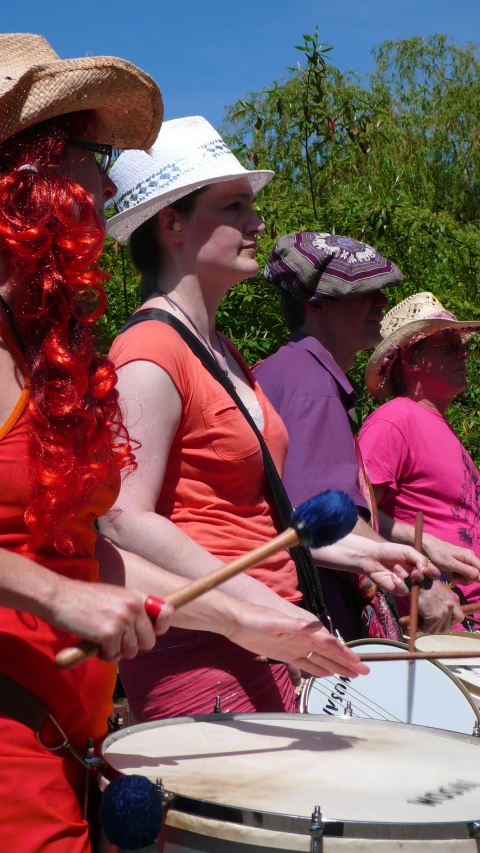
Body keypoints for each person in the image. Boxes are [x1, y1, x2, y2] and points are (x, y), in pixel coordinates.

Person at [0, 38, 369, 853]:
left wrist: (248, 619)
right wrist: (59, 599)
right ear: (28, 176)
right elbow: (74, 579)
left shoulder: (45, 351)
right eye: (92, 155)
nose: (106, 181)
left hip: (71, 737)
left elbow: (87, 557)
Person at [102, 118, 433, 722]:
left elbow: (259, 516)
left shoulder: (219, 349)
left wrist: (360, 553)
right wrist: (256, 605)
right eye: (234, 207)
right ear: (171, 224)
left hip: (265, 636)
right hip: (205, 653)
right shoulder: (150, 351)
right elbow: (123, 519)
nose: (257, 225)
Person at [255, 233, 477, 640]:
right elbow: (318, 523)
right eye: (362, 292)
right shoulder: (311, 387)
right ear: (316, 302)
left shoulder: (289, 374)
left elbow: (346, 513)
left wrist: (423, 543)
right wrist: (421, 585)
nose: (380, 303)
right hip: (310, 623)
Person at [359, 291, 480, 621]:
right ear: (411, 359)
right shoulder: (393, 420)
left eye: (462, 344)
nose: (465, 354)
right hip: (440, 628)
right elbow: (356, 516)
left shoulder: (442, 430)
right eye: (451, 345)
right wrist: (425, 548)